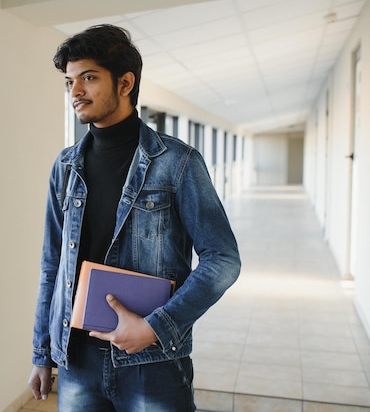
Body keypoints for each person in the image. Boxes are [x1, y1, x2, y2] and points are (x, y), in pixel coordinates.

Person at [28, 24, 241, 412]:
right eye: (69, 81)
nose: (75, 92)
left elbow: (223, 259)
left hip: (152, 362)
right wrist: (42, 352)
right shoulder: (65, 166)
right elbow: (52, 265)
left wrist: (155, 326)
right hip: (77, 361)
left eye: (88, 78)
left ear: (125, 83)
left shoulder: (178, 163)